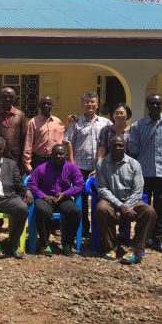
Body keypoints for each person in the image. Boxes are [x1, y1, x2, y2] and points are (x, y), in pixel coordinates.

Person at [128, 93, 162, 255]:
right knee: (143, 208)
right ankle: (143, 238)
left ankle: (158, 239)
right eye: (152, 103)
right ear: (147, 105)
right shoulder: (138, 125)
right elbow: (133, 152)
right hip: (143, 174)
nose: (155, 106)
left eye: (158, 103)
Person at [95, 135, 157, 264]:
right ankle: (111, 246)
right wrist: (120, 206)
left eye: (120, 145)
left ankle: (136, 250)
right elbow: (103, 189)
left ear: (125, 147)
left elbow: (138, 189)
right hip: (110, 201)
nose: (118, 148)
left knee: (149, 212)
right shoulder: (101, 164)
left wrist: (126, 206)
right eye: (114, 145)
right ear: (109, 147)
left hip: (131, 201)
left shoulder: (134, 164)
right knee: (101, 209)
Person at [63, 91, 110, 235]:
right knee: (81, 199)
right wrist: (72, 164)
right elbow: (68, 142)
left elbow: (111, 143)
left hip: (100, 168)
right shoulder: (76, 122)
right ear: (82, 104)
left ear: (97, 104)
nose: (90, 104)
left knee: (100, 197)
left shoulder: (106, 122)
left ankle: (98, 228)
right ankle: (84, 227)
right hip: (80, 167)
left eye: (92, 102)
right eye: (87, 102)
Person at [28, 144, 84, 256]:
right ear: (51, 155)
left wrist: (65, 193)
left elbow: (80, 184)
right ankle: (45, 244)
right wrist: (43, 195)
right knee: (42, 210)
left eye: (61, 154)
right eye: (55, 154)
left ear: (66, 155)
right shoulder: (41, 168)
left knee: (75, 212)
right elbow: (31, 184)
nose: (58, 156)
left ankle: (68, 244)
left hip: (63, 198)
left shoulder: (72, 167)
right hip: (45, 198)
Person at [23, 96, 65, 174]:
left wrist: (70, 121)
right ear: (39, 106)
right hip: (38, 160)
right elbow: (28, 144)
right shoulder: (33, 122)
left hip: (55, 159)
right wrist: (27, 163)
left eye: (48, 104)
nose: (46, 106)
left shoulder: (57, 121)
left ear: (52, 106)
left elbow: (64, 136)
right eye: (43, 103)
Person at [0, 87, 26, 169]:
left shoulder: (20, 115)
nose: (8, 99)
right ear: (0, 98)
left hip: (15, 156)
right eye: (5, 96)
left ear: (14, 98)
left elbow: (23, 137)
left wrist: (23, 157)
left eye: (11, 97)